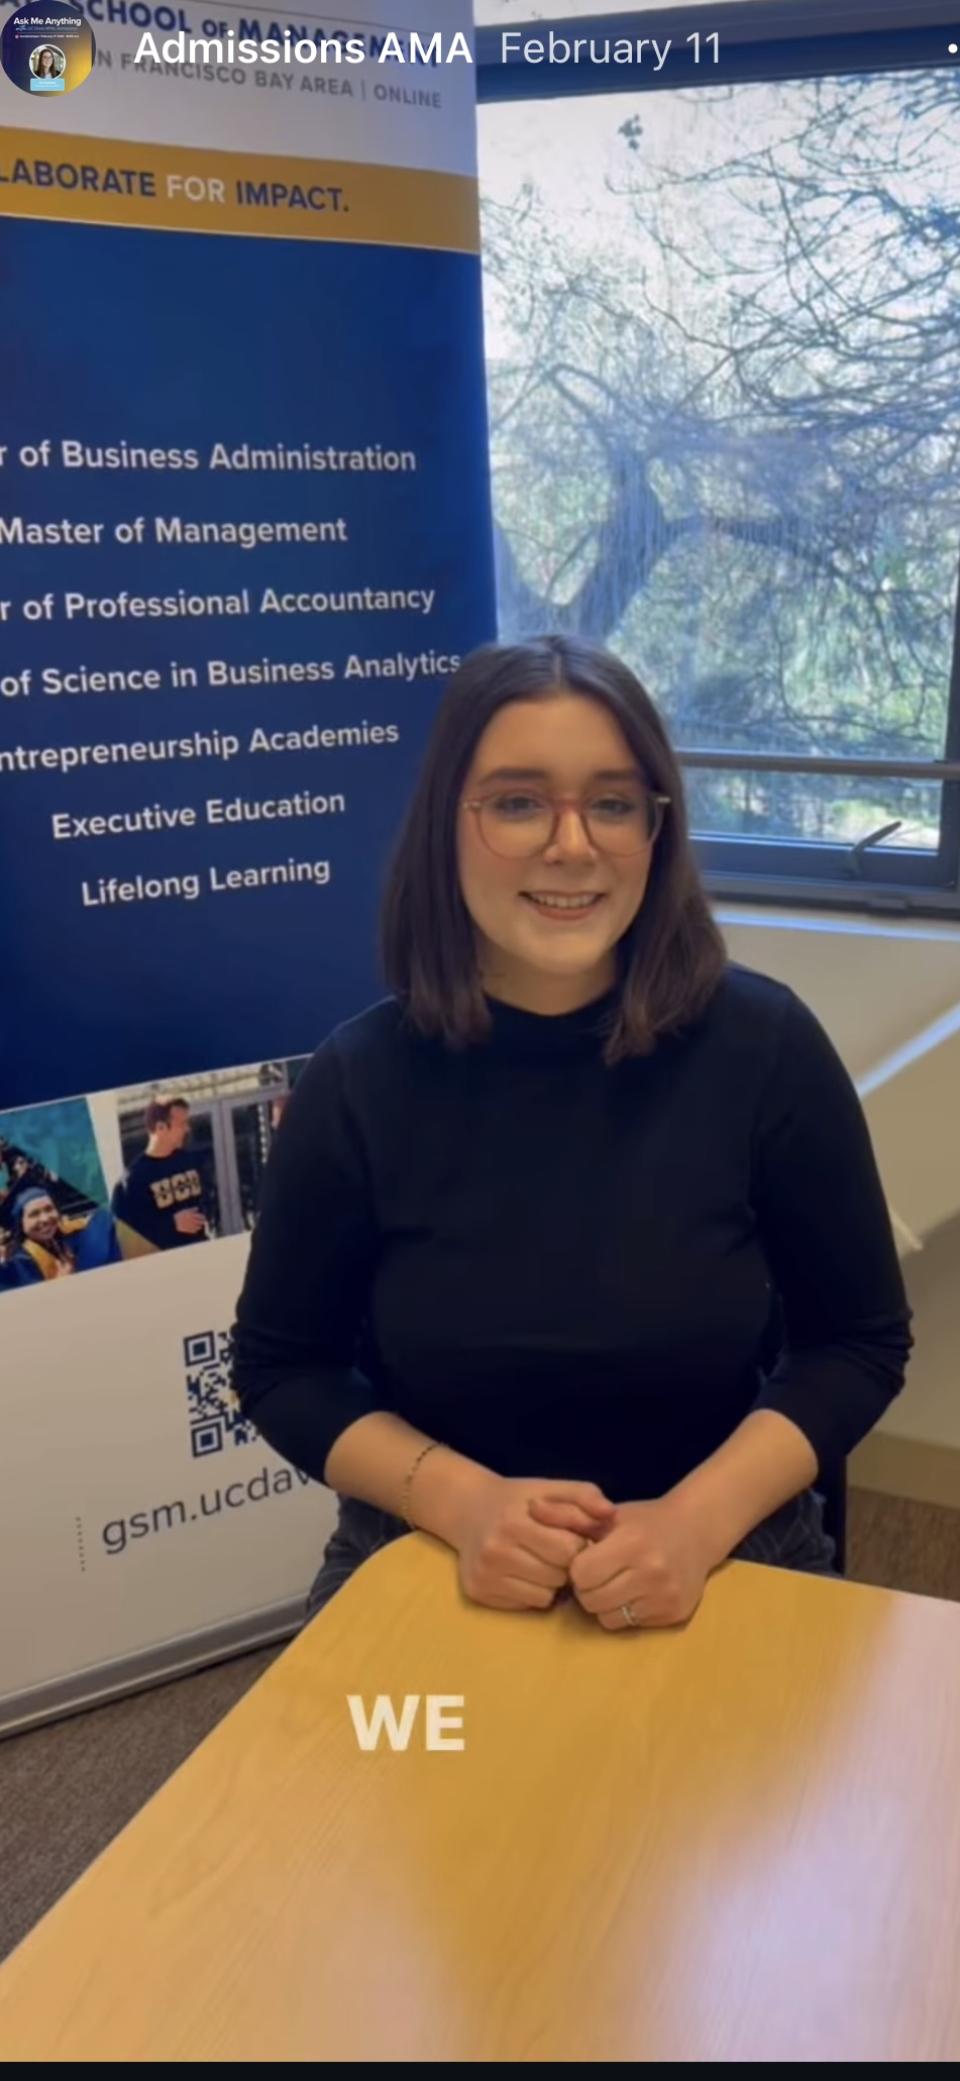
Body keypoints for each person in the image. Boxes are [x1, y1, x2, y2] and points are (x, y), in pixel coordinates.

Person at [231, 635, 913, 1633]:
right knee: (379, 1783)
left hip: (724, 1540)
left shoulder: (766, 1049)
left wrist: (693, 1521)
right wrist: (460, 1501)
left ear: (655, 827)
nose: (572, 843)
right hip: (429, 1542)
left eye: (612, 801)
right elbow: (281, 1366)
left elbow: (857, 1341)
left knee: (753, 1795)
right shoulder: (357, 1078)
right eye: (516, 800)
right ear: (444, 828)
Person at [112, 1098, 208, 1251]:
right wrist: (171, 1224)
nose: (187, 1129)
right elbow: (126, 1240)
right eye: (182, 1124)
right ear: (160, 1128)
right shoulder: (131, 1182)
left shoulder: (190, 1161)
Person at [6, 1188, 121, 1285]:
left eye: (49, 1209)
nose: (45, 1218)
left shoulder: (63, 1236)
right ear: (21, 1224)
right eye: (34, 1214)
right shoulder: (21, 1264)